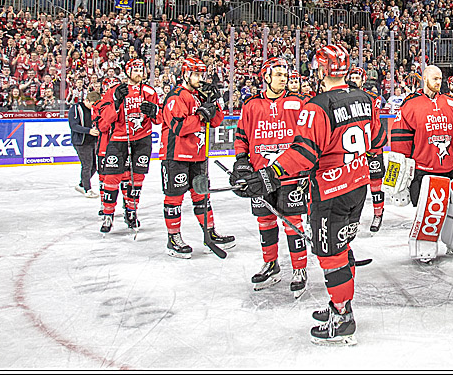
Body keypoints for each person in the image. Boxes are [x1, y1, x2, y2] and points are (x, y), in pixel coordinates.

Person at [236, 45, 382, 345]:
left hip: (330, 192)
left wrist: (268, 176)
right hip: (358, 186)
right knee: (343, 247)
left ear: (321, 70)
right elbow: (378, 139)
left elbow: (303, 154)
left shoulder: (317, 106)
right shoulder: (365, 99)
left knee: (331, 255)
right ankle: (340, 303)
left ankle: (342, 317)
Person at [386, 65, 453, 263]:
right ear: (424, 78)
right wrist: (395, 181)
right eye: (434, 78)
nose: (438, 82)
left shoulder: (451, 104)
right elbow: (400, 142)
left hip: (450, 166)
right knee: (432, 207)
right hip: (424, 169)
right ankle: (424, 241)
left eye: (440, 78)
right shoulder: (410, 104)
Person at [232, 58, 310, 294]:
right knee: (265, 220)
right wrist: (241, 161)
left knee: (293, 222)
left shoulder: (298, 102)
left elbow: (308, 136)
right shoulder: (251, 105)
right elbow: (242, 136)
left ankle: (299, 268)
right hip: (260, 175)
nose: (283, 78)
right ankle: (271, 264)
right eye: (278, 74)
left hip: (291, 173)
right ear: (266, 77)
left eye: (285, 74)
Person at [159, 57, 234, 258]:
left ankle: (210, 233)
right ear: (185, 74)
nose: (200, 79)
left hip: (198, 155)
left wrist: (214, 102)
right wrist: (200, 115)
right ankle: (173, 238)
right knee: (174, 197)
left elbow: (216, 121)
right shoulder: (176, 97)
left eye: (202, 74)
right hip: (176, 155)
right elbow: (179, 127)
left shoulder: (199, 96)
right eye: (196, 74)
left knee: (202, 195)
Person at [97, 58, 161, 235]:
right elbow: (104, 122)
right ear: (127, 72)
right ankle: (108, 214)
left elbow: (160, 119)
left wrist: (155, 112)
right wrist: (116, 103)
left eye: (141, 70)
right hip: (118, 139)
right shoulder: (114, 91)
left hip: (142, 139)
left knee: (136, 178)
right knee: (111, 178)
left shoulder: (149, 91)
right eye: (135, 70)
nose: (139, 73)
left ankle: (131, 211)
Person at [348, 66, 387, 232]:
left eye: (357, 78)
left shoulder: (372, 97)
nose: (354, 80)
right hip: (353, 149)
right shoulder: (343, 97)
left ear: (363, 80)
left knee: (375, 184)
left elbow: (374, 123)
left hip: (372, 147)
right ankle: (352, 219)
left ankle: (378, 214)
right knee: (353, 186)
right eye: (352, 77)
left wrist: (374, 145)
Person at [68, 90, 102, 197]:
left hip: (92, 141)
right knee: (87, 165)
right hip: (81, 142)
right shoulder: (76, 109)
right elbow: (74, 126)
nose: (94, 107)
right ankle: (87, 189)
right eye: (92, 104)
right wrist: (89, 131)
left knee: (94, 166)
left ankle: (82, 184)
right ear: (87, 100)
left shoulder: (95, 110)